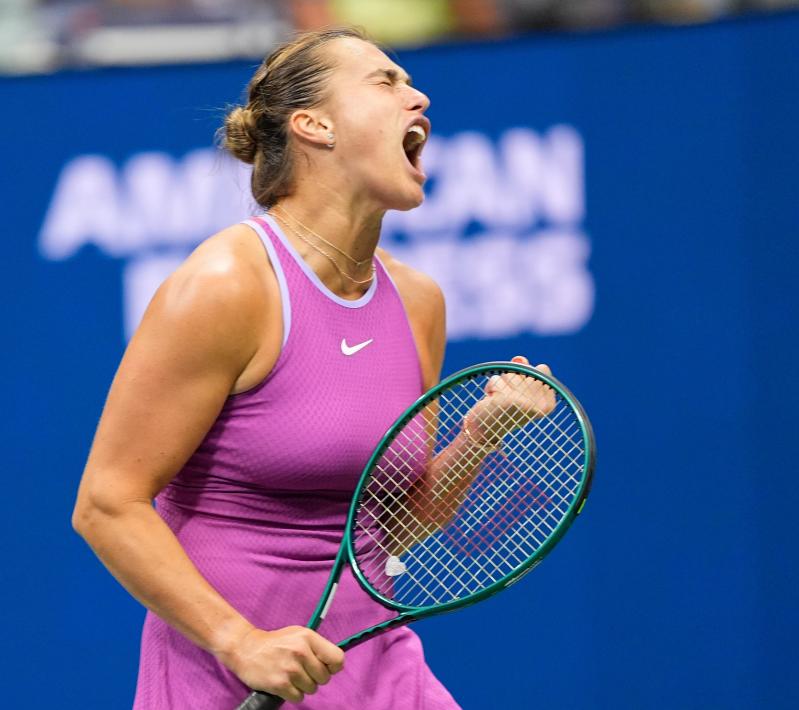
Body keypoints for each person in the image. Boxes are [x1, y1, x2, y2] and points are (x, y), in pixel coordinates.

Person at [72, 26, 549, 708]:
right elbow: (106, 504)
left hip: (381, 667)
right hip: (229, 675)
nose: (418, 96)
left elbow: (395, 522)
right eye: (385, 82)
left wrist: (482, 432)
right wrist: (240, 641)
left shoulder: (418, 302)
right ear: (313, 125)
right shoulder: (227, 285)